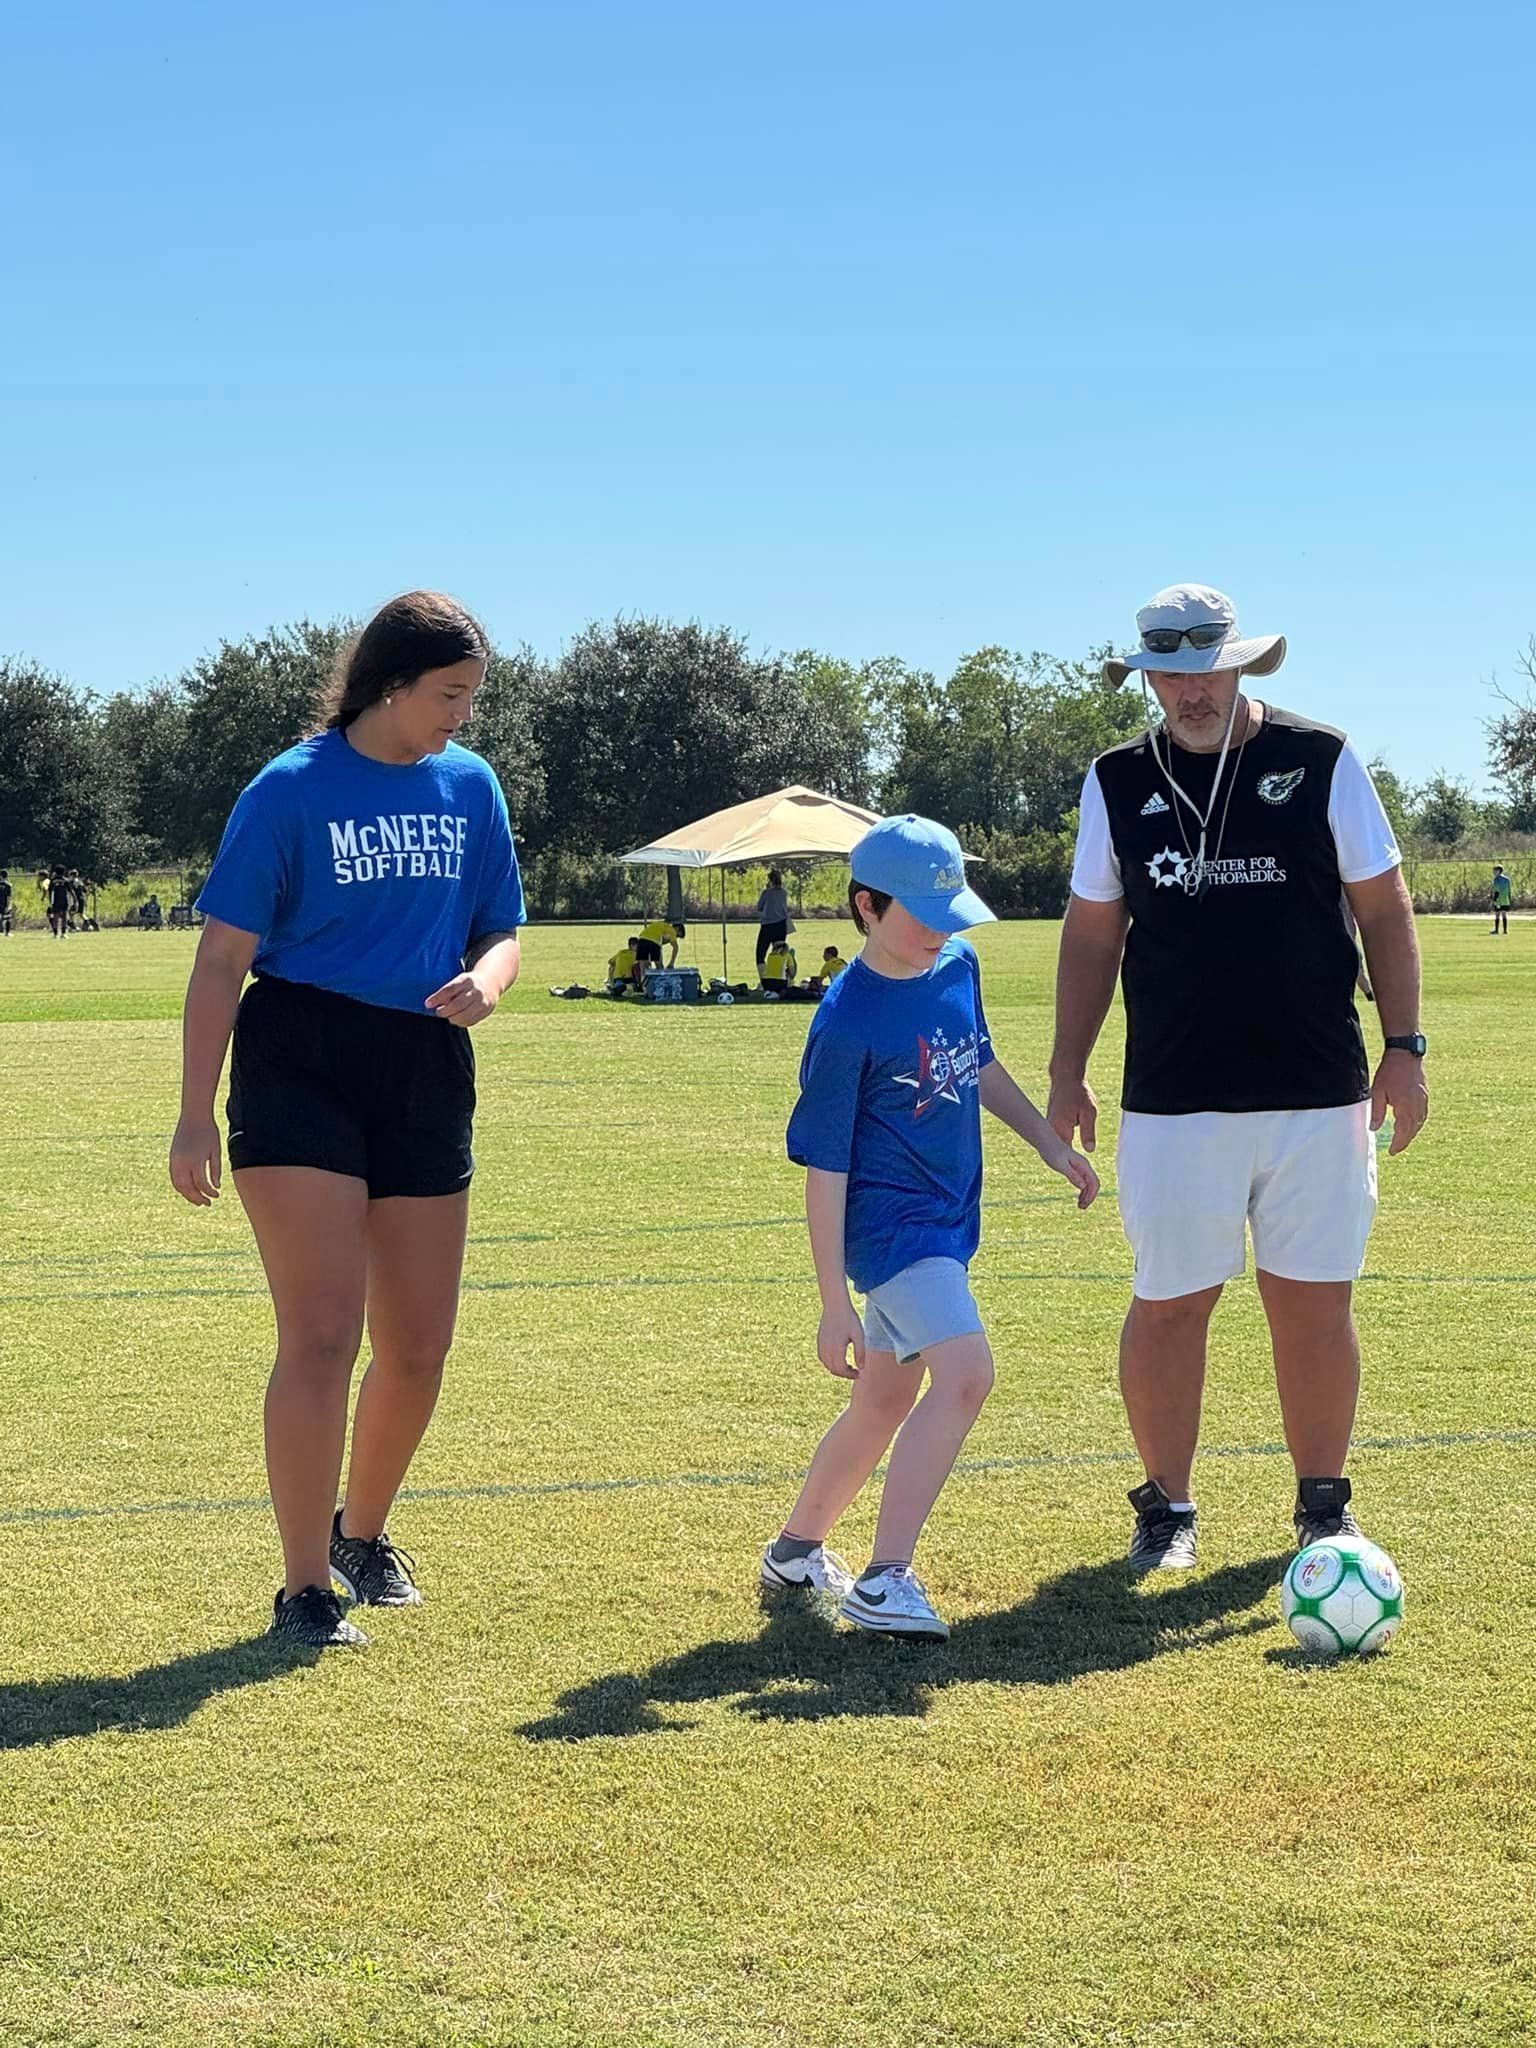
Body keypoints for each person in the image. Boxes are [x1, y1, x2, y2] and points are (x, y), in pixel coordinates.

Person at [169, 590, 526, 1651]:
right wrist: (193, 1115)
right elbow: (221, 961)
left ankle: (360, 1536)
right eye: (449, 694)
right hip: (301, 1055)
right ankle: (305, 1587)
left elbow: (501, 928)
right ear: (391, 683)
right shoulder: (290, 788)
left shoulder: (471, 786)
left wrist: (489, 980)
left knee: (417, 1347)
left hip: (424, 1060)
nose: (462, 715)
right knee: (322, 1333)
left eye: (471, 696)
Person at [1047, 584, 1428, 1572]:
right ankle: (1167, 1509)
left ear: (1240, 664)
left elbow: (1383, 907)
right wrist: (1067, 1069)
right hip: (1174, 1097)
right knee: (1170, 1301)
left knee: (1313, 1303)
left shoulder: (1321, 758)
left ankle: (1324, 1507)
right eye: (1169, 674)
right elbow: (1092, 932)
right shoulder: (1116, 778)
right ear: (1148, 678)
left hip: (1318, 1092)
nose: (1191, 692)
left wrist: (1404, 1047)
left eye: (1206, 671)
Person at [761, 815, 1099, 1638]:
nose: (940, 931)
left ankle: (796, 1551)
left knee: (884, 1400)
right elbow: (825, 1170)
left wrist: (1048, 1143)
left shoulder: (956, 964)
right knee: (967, 1375)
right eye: (923, 915)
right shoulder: (845, 1022)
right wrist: (833, 1302)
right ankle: (885, 1580)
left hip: (948, 1225)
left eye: (951, 913)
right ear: (866, 907)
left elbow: (978, 1063)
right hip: (892, 1236)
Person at [755, 868, 793, 970]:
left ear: (770, 880)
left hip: (768, 926)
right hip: (781, 926)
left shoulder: (766, 893)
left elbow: (759, 907)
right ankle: (779, 974)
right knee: (779, 954)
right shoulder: (783, 893)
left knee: (760, 955)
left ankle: (764, 976)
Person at [47, 865, 72, 938]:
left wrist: (50, 901)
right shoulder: (66, 880)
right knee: (64, 917)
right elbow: (70, 891)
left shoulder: (52, 881)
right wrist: (75, 899)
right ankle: (63, 933)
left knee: (56, 917)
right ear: (64, 872)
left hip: (55, 901)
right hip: (64, 900)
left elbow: (50, 892)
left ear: (55, 872)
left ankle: (55, 934)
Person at [1491, 864, 1513, 936]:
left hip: (1499, 900)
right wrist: (1509, 899)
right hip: (1506, 900)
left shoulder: (1496, 880)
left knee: (1497, 915)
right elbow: (1509, 890)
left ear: (1498, 871)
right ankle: (1505, 931)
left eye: (1495, 871)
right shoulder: (1507, 879)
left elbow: (1496, 891)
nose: (1493, 872)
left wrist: (1494, 900)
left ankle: (1496, 930)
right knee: (1504, 914)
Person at [0, 871, 12, 937]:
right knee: (7, 918)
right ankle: (7, 933)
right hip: (4, 904)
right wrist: (8, 905)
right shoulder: (8, 885)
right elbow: (8, 897)